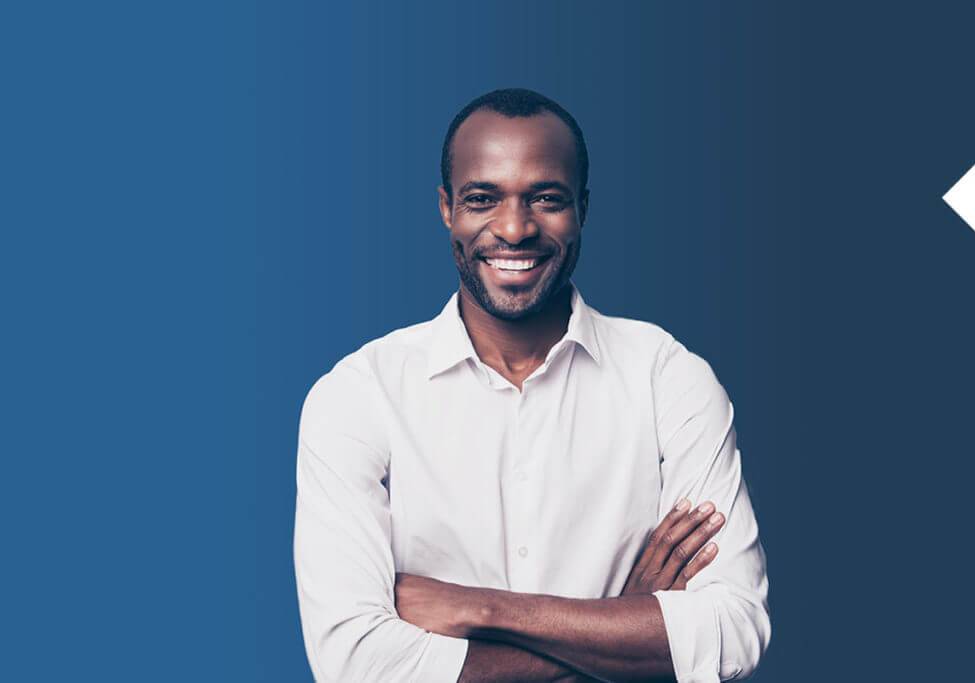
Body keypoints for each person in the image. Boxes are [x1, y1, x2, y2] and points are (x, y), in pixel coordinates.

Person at [293, 88, 770, 682]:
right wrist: (619, 625)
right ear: (447, 209)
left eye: (546, 198)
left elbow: (733, 632)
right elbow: (358, 666)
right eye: (482, 199)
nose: (515, 229)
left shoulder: (666, 377)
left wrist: (481, 610)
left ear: (583, 209)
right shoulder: (358, 397)